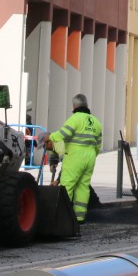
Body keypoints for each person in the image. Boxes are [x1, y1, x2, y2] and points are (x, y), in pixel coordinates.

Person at [47, 94, 103, 224]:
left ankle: (62, 217)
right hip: (90, 157)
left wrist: (50, 137)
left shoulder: (75, 119)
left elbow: (61, 135)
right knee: (83, 187)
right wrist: (91, 155)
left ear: (74, 106)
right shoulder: (96, 122)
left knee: (67, 186)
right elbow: (98, 145)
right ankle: (79, 217)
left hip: (75, 156)